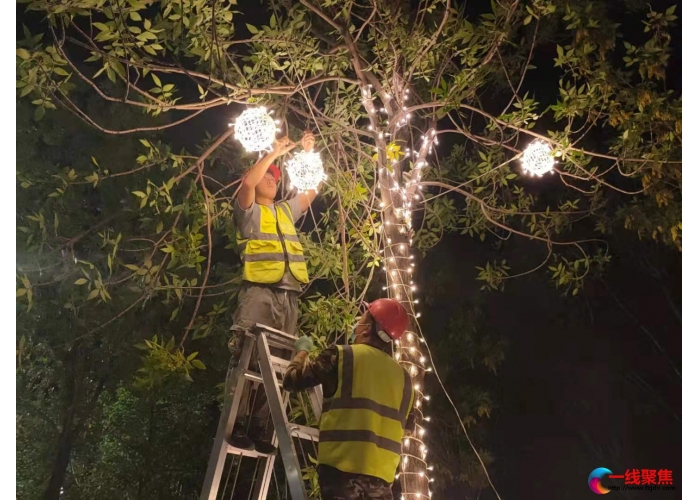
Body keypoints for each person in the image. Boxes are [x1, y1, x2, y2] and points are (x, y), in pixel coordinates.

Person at [229, 132, 317, 451]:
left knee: (280, 363)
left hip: (289, 296)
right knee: (248, 355)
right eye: (267, 174)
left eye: (275, 177)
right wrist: (274, 152)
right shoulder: (249, 211)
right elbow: (248, 184)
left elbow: (311, 189)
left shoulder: (284, 212)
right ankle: (237, 421)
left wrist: (308, 153)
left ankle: (261, 425)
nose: (271, 179)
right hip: (259, 293)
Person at [283, 299, 415, 500]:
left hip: (341, 474)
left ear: (368, 328)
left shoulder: (342, 356)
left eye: (362, 317)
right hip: (382, 482)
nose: (357, 321)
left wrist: (302, 351)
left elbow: (291, 380)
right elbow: (408, 426)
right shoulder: (405, 379)